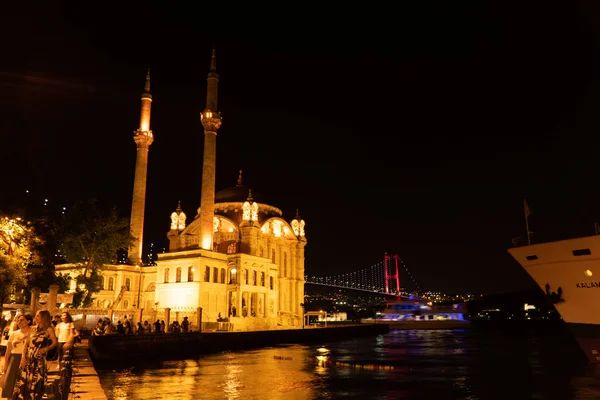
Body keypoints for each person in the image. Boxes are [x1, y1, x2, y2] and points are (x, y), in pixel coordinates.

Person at [12, 310, 58, 400]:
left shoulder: (49, 330)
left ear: (43, 318)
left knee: (37, 380)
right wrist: (23, 357)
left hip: (40, 358)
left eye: (38, 316)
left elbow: (54, 343)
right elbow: (26, 343)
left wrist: (46, 349)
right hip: (29, 356)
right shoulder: (32, 328)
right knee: (25, 380)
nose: (35, 318)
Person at [1, 314, 33, 398]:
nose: (19, 322)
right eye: (18, 320)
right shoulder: (14, 334)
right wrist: (5, 363)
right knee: (11, 379)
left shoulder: (32, 332)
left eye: (22, 320)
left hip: (27, 357)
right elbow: (8, 350)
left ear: (28, 321)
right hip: (14, 358)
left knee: (24, 380)